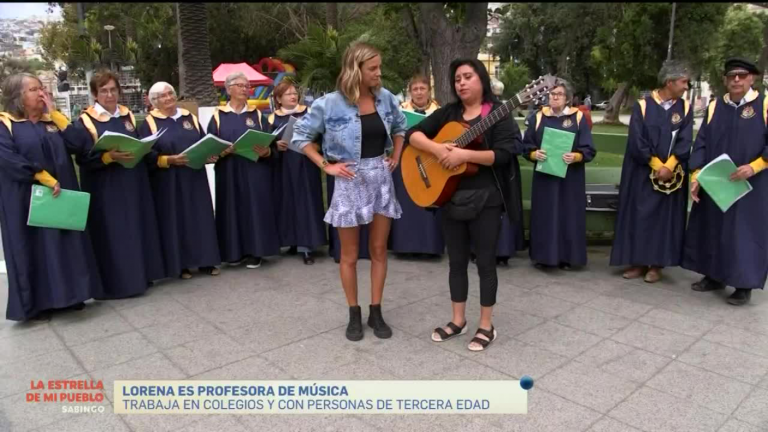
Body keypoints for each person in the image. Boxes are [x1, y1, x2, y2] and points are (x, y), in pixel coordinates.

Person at [292, 42, 406, 342]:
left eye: (379, 67)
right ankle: (354, 313)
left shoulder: (386, 99)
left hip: (380, 177)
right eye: (373, 68)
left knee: (379, 250)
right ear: (355, 69)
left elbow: (401, 127)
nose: (379, 73)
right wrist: (324, 165)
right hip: (348, 180)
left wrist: (396, 155)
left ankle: (376, 310)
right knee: (350, 255)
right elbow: (300, 136)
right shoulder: (329, 103)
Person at [408, 59, 520, 352]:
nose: (461, 83)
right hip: (452, 197)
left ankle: (486, 325)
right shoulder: (449, 113)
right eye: (457, 78)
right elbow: (413, 134)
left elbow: (506, 154)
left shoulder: (498, 113)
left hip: (487, 199)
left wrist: (464, 157)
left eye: (467, 76)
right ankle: (458, 321)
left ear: (481, 79)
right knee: (456, 262)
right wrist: (437, 148)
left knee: (485, 263)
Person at [0, 73, 102, 321]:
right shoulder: (7, 123)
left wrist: (56, 112)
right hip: (26, 197)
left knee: (66, 244)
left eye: (41, 88)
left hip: (61, 193)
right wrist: (42, 176)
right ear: (19, 97)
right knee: (34, 247)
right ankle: (39, 303)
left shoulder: (51, 121)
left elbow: (81, 144)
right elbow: (8, 158)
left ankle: (72, 296)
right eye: (34, 89)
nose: (41, 93)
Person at [684, 57, 768, 306]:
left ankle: (744, 284)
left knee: (744, 233)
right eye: (732, 76)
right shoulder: (714, 106)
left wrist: (755, 167)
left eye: (742, 75)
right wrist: (696, 174)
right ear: (725, 80)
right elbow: (702, 142)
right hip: (717, 180)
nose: (737, 80)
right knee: (714, 228)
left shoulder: (763, 104)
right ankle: (714, 276)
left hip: (751, 184)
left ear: (752, 78)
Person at [76, 70, 166, 299]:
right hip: (106, 184)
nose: (109, 95)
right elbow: (83, 157)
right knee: (115, 231)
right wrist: (107, 157)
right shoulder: (86, 120)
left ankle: (141, 275)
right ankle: (118, 283)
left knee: (136, 226)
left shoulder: (126, 116)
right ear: (95, 94)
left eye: (113, 90)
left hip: (133, 179)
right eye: (104, 91)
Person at [610, 61, 693, 283]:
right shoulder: (643, 106)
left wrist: (670, 165)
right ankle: (637, 262)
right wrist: (657, 165)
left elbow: (686, 140)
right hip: (643, 173)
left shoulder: (684, 107)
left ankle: (656, 265)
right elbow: (637, 141)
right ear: (670, 82)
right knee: (639, 216)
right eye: (684, 82)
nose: (687, 86)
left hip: (671, 176)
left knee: (663, 220)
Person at [139, 81, 222, 280]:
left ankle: (206, 260)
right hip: (169, 179)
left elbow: (203, 140)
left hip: (194, 175)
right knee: (176, 220)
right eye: (162, 96)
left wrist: (210, 154)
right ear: (154, 102)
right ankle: (182, 264)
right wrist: (168, 160)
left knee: (200, 217)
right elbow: (145, 154)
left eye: (170, 93)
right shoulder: (149, 123)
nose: (168, 98)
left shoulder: (189, 117)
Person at [208, 72, 280, 269]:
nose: (244, 89)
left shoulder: (257, 115)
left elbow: (271, 144)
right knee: (231, 208)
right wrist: (222, 151)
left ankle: (256, 252)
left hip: (254, 169)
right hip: (228, 171)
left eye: (246, 86)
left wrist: (266, 152)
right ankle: (233, 252)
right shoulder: (218, 116)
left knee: (254, 209)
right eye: (239, 85)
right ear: (228, 88)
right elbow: (209, 147)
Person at [523, 78, 596, 270]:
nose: (554, 97)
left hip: (570, 178)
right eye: (552, 94)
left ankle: (568, 257)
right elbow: (526, 145)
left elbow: (589, 149)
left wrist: (577, 156)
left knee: (568, 215)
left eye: (559, 94)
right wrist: (533, 153)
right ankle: (544, 257)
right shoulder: (538, 117)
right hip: (545, 177)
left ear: (568, 98)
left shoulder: (578, 118)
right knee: (545, 215)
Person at [268, 80, 326, 265]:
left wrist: (316, 145)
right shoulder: (271, 119)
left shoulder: (308, 113)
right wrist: (275, 145)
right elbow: (266, 141)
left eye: (295, 93)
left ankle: (307, 245)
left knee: (306, 201)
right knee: (288, 201)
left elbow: (322, 134)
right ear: (278, 99)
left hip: (306, 163)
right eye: (288, 94)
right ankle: (292, 240)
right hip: (283, 165)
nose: (293, 96)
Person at [390, 74, 444, 258]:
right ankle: (404, 246)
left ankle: (430, 247)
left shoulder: (439, 111)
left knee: (428, 199)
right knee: (405, 202)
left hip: (430, 161)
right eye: (415, 89)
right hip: (405, 160)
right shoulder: (400, 110)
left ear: (429, 91)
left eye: (422, 89)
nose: (419, 93)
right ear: (410, 92)